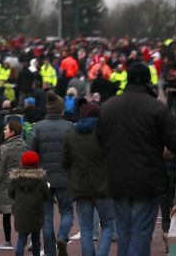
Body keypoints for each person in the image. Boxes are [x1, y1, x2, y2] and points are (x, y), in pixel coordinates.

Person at [97, 62, 176, 256]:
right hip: (148, 180)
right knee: (141, 232)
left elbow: (100, 141)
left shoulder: (108, 107)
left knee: (125, 232)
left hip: (117, 179)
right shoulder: (157, 108)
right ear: (148, 82)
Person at [62, 102, 114, 256]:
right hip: (104, 186)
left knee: (85, 227)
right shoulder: (106, 134)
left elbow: (65, 163)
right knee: (108, 225)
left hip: (80, 186)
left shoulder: (70, 134)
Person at [26, 93, 74, 256]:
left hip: (43, 178)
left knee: (46, 215)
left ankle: (49, 251)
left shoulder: (38, 127)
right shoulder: (69, 126)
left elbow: (30, 153)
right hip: (65, 176)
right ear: (61, 109)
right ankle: (62, 236)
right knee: (67, 211)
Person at [0, 118, 27, 251]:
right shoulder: (24, 145)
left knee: (6, 213)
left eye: (6, 129)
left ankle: (7, 241)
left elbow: (0, 170)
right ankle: (26, 239)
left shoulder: (5, 148)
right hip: (22, 182)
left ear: (12, 132)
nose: (4, 131)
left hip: (7, 184)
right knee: (21, 213)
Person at [9, 151, 49, 256]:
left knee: (21, 238)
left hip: (21, 211)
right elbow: (46, 195)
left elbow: (11, 194)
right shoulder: (40, 178)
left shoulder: (16, 177)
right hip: (36, 211)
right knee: (36, 239)